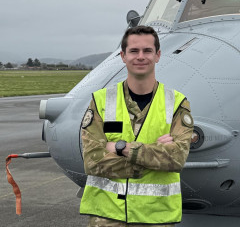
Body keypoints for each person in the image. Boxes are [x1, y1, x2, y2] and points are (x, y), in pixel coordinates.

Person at [79, 25, 194, 226]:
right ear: (123, 56)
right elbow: (92, 161)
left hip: (156, 216)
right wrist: (153, 156)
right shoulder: (101, 101)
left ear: (157, 55)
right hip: (107, 216)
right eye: (134, 51)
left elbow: (176, 159)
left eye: (147, 51)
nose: (140, 56)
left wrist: (119, 148)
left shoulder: (176, 103)